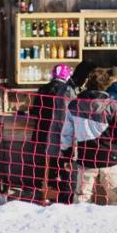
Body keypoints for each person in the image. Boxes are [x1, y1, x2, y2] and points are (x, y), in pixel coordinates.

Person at [60, 67, 117, 205]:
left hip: (86, 159)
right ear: (107, 84)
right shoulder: (112, 105)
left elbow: (66, 134)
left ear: (87, 83)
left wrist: (66, 155)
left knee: (82, 198)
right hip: (110, 157)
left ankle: (78, 224)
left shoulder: (74, 105)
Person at [30, 65, 77, 201]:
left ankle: (46, 190)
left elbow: (35, 111)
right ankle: (63, 193)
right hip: (62, 133)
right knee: (64, 164)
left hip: (43, 132)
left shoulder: (43, 88)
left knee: (45, 163)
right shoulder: (68, 90)